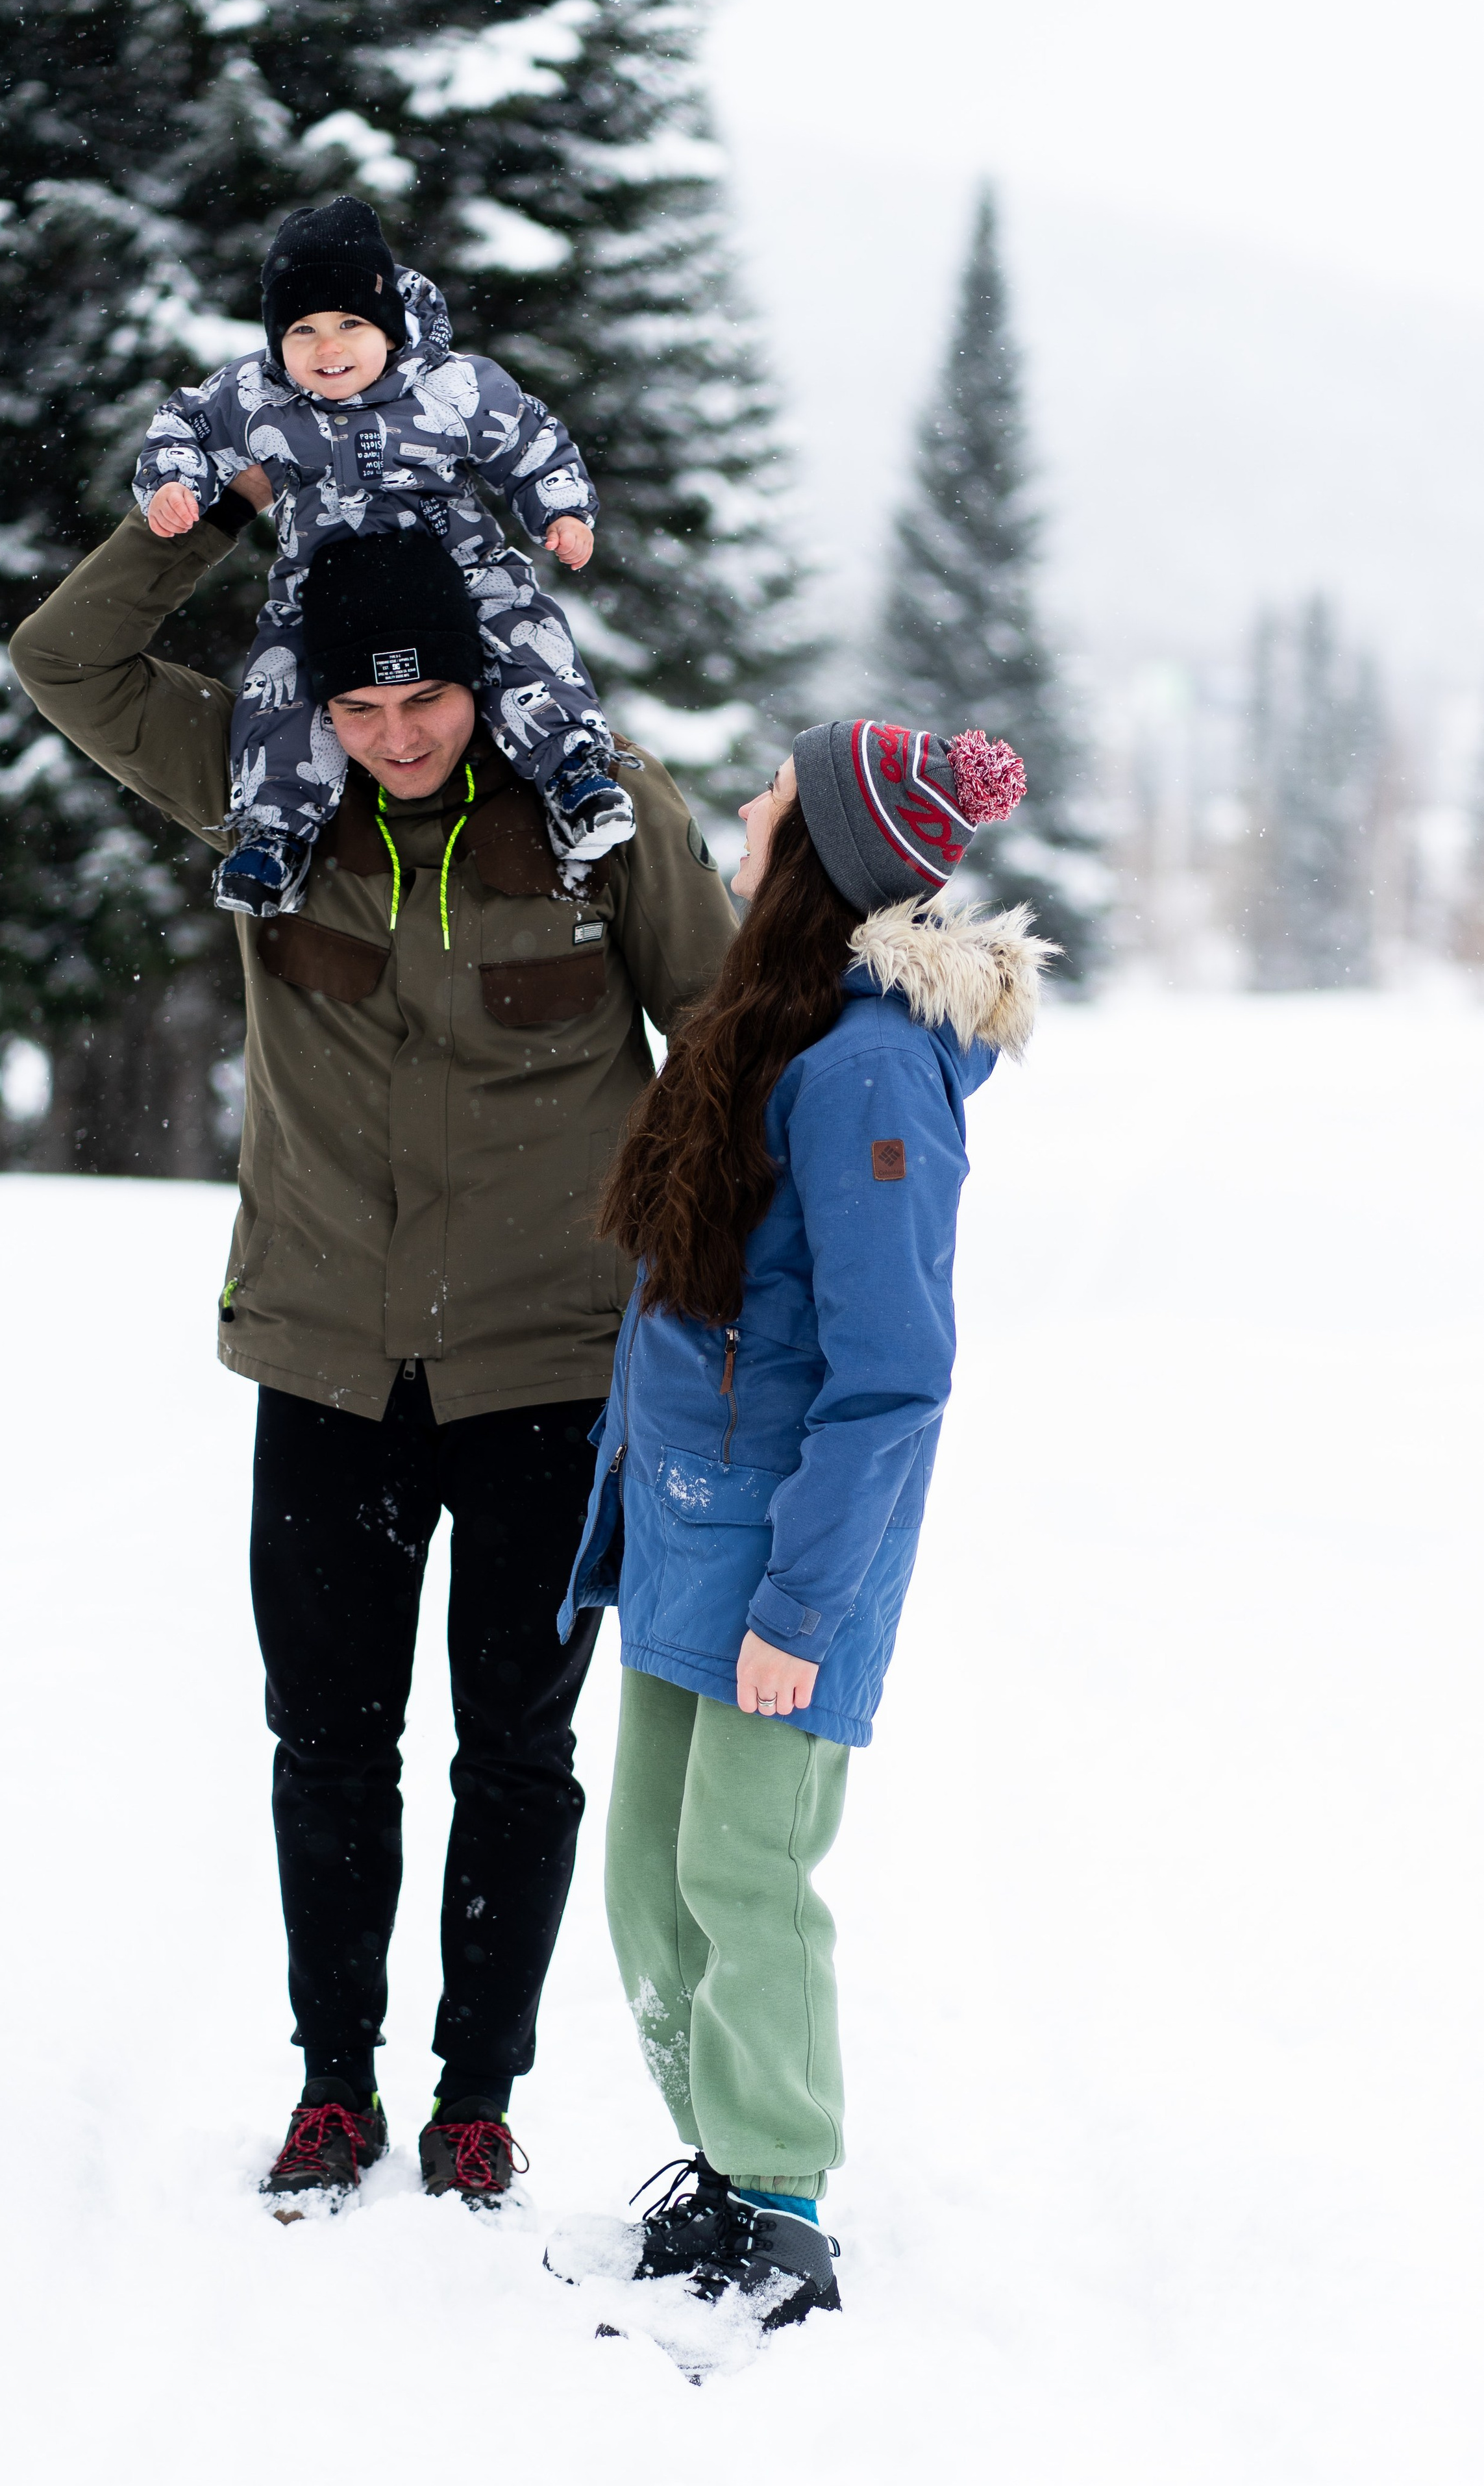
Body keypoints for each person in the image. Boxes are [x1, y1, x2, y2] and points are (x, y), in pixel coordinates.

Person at [8, 471, 737, 2206]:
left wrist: (738, 1305)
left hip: (551, 1369)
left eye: (424, 698)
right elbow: (66, 657)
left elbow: (719, 1056)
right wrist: (214, 516)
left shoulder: (598, 814)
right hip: (328, 1361)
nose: (396, 736)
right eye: (359, 704)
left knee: (516, 1747)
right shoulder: (266, 789)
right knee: (327, 1738)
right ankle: (336, 2084)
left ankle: (476, 2092)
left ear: (482, 677)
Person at [552, 717, 1049, 2325]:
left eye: (766, 805)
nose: (745, 824)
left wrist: (802, 1607)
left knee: (742, 1874)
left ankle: (781, 2212)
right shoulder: (769, 1026)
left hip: (785, 1559)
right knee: (647, 1875)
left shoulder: (867, 1069)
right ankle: (718, 2169)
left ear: (818, 851)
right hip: (692, 1522)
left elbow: (891, 1373)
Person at [133, 195, 629, 917]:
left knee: (518, 635)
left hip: (454, 560)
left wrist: (560, 509)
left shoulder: (453, 387)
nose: (326, 350)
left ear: (388, 328)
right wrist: (175, 481)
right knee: (284, 681)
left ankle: (573, 769)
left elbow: (532, 442)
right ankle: (274, 832)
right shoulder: (257, 396)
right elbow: (183, 423)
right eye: (301, 331)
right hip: (321, 578)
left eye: (348, 326)